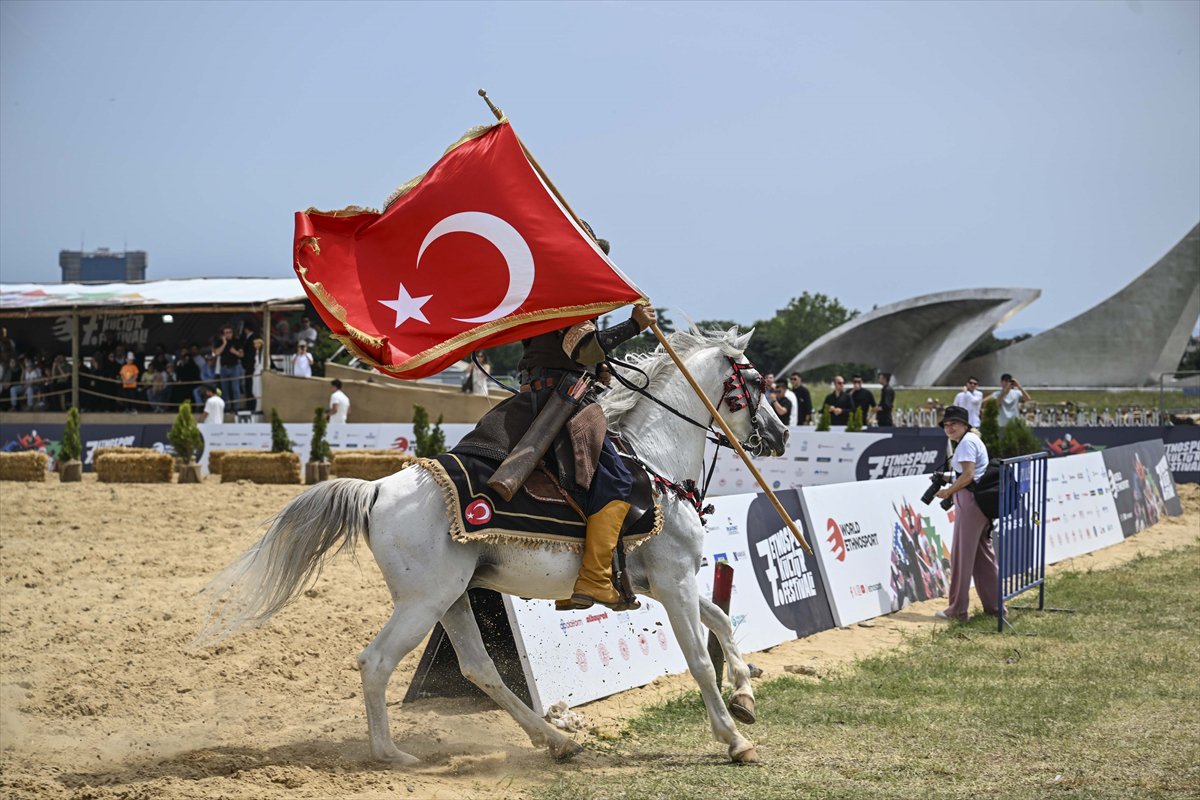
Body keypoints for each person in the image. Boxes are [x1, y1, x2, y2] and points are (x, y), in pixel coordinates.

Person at [453, 231, 656, 612]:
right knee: (616, 479)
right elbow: (583, 349)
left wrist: (599, 368)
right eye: (596, 257)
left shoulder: (549, 291)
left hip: (539, 393)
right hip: (562, 400)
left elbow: (569, 353)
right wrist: (634, 326)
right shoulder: (572, 295)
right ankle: (595, 579)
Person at [933, 405, 1002, 621]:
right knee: (984, 557)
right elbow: (970, 473)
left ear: (964, 424)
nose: (949, 428)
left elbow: (968, 476)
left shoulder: (965, 443)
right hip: (979, 502)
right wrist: (947, 478)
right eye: (946, 425)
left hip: (971, 502)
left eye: (953, 423)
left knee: (961, 558)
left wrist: (947, 492)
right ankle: (995, 607)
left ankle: (957, 610)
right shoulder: (971, 440)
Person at [212, 325, 244, 412]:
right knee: (224, 389)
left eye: (230, 332)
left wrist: (235, 352)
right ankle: (225, 407)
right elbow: (216, 353)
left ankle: (236, 407)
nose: (228, 334)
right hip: (224, 368)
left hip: (234, 367)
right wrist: (224, 344)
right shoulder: (219, 342)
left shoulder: (236, 341)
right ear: (223, 334)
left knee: (235, 388)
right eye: (226, 333)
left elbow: (242, 354)